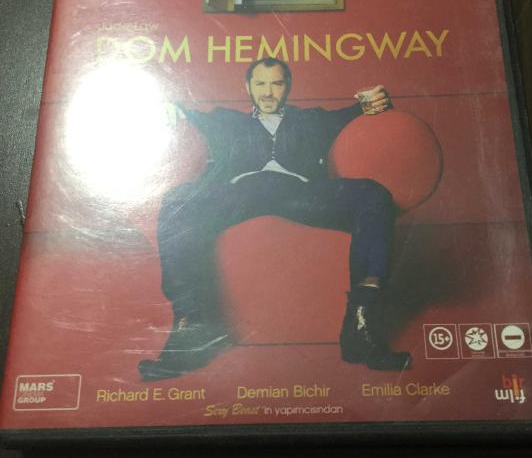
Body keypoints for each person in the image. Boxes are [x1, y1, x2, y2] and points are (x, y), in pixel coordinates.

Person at [138, 57, 411, 381]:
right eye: (261, 84)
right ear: (248, 87)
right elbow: (182, 111)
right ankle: (191, 326)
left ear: (288, 87)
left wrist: (371, 100)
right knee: (177, 200)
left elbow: (358, 110)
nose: (268, 92)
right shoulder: (225, 121)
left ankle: (362, 325)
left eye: (276, 83)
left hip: (299, 193)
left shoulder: (312, 119)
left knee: (374, 194)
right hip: (240, 194)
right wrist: (167, 106)